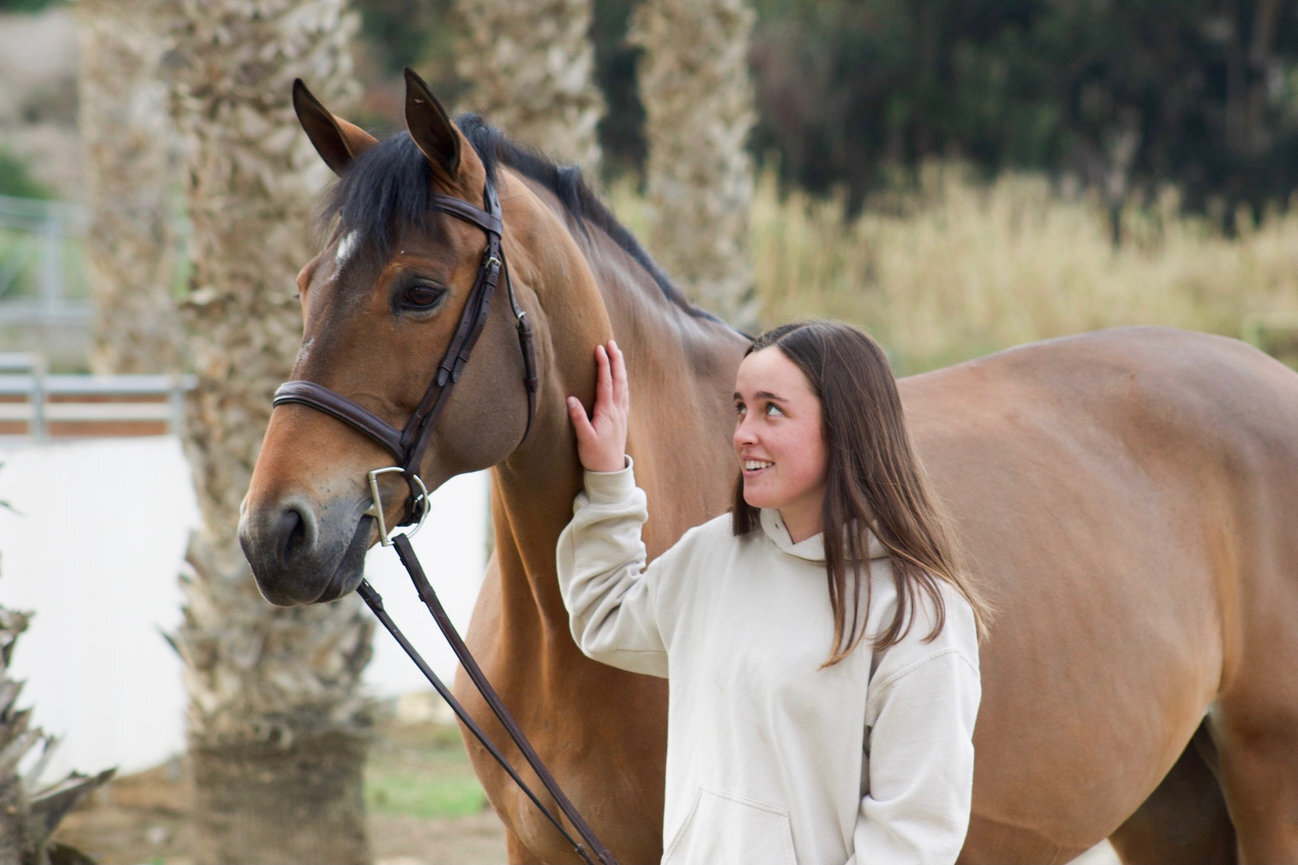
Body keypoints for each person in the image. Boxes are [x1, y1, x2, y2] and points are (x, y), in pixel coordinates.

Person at [557, 320, 990, 865]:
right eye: (740, 407)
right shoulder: (714, 555)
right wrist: (606, 478)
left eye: (771, 410)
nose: (742, 433)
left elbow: (913, 840)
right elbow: (606, 617)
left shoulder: (917, 614)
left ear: (846, 426)